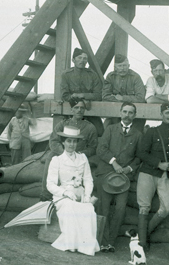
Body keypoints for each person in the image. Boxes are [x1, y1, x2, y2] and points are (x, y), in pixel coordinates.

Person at [136, 102, 169, 248]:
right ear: (161, 115)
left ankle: (142, 235)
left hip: (168, 175)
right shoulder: (152, 132)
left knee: (167, 208)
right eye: (167, 113)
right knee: (144, 207)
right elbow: (141, 152)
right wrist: (158, 163)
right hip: (149, 172)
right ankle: (142, 243)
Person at [95, 102, 142, 252]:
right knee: (104, 207)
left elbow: (139, 157)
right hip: (106, 173)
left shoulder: (138, 134)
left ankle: (110, 242)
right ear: (120, 112)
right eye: (125, 112)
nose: (127, 115)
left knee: (121, 209)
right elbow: (101, 149)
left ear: (134, 115)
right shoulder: (110, 129)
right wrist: (113, 162)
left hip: (124, 178)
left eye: (130, 112)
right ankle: (102, 241)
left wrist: (129, 168)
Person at [46, 125, 99, 256]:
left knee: (89, 209)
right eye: (69, 141)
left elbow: (88, 179)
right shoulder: (57, 160)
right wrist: (65, 192)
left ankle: (86, 247)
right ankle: (71, 244)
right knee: (69, 207)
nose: (71, 144)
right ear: (63, 142)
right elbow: (50, 184)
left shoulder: (83, 158)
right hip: (63, 196)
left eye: (74, 141)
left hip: (80, 194)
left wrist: (87, 195)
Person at [60, 47, 104, 135]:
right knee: (71, 132)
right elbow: (65, 95)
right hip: (73, 110)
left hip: (90, 110)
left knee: (99, 132)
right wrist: (81, 101)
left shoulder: (92, 75)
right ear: (73, 60)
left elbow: (99, 95)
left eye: (85, 58)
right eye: (79, 58)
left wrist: (82, 95)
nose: (82, 60)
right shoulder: (66, 74)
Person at [49, 97, 98, 167]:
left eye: (82, 108)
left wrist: (79, 154)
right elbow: (53, 141)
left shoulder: (90, 127)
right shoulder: (62, 124)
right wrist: (64, 153)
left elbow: (93, 148)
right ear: (71, 110)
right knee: (50, 160)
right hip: (62, 154)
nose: (79, 110)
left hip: (80, 156)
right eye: (76, 107)